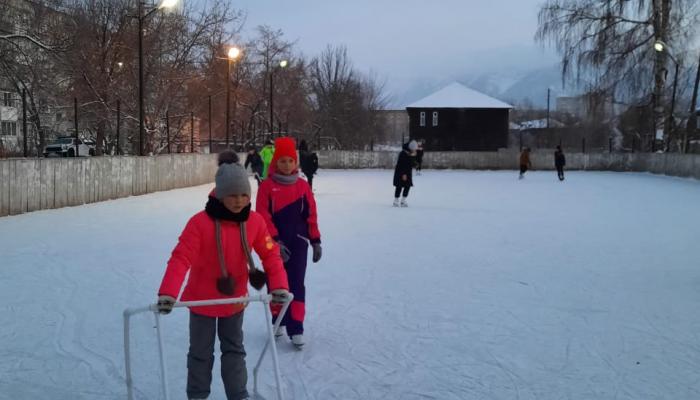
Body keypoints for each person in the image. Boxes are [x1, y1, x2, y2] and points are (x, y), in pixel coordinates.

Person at [157, 163, 290, 400]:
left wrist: (279, 285)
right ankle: (197, 395)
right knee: (200, 353)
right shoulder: (199, 223)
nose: (238, 201)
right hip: (202, 301)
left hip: (234, 300)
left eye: (243, 195)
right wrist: (169, 292)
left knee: (234, 350)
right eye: (231, 195)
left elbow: (270, 252)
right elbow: (181, 257)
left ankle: (238, 395)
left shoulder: (255, 222)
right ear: (220, 194)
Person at [255, 137, 322, 349]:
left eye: (290, 161)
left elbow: (311, 215)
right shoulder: (267, 186)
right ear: (275, 162)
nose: (286, 165)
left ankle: (296, 327)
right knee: (276, 283)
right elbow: (262, 216)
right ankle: (278, 321)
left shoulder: (302, 186)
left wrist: (315, 241)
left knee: (296, 284)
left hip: (299, 243)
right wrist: (275, 242)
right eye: (282, 161)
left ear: (296, 162)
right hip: (274, 245)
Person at [393, 140, 417, 207]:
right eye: (413, 148)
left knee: (408, 186)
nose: (414, 150)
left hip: (408, 172)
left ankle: (403, 200)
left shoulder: (410, 153)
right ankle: (396, 200)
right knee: (399, 186)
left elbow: (412, 163)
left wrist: (414, 158)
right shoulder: (403, 153)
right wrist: (403, 174)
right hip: (401, 172)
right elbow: (401, 164)